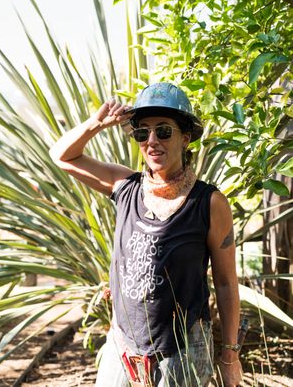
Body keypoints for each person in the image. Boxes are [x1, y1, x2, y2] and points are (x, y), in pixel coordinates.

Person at [49, 83, 243, 387]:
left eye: (163, 131)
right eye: (142, 133)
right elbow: (61, 156)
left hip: (184, 346)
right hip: (123, 342)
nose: (152, 141)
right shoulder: (124, 186)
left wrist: (230, 356)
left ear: (185, 137)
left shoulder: (209, 203)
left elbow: (226, 283)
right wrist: (95, 125)